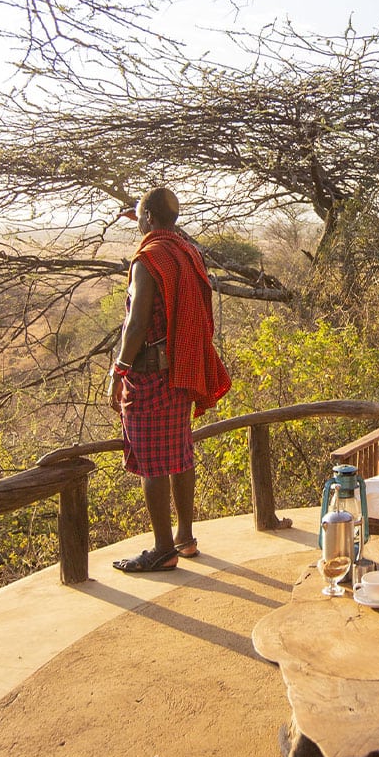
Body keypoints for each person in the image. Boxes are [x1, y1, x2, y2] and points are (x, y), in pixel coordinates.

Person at [107, 186, 231, 572]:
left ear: (147, 218)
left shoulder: (149, 258)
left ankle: (163, 549)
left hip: (149, 373)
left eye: (139, 216)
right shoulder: (185, 251)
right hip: (180, 370)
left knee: (153, 462)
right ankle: (185, 537)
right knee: (179, 454)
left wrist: (119, 370)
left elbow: (136, 323)